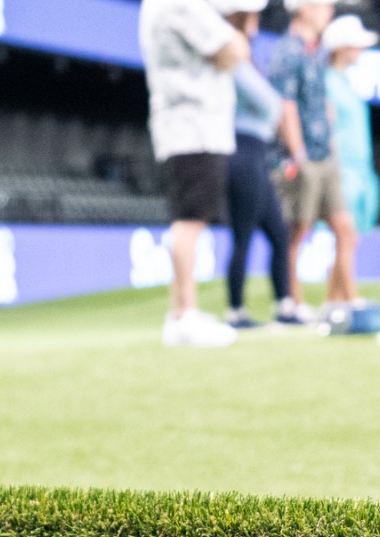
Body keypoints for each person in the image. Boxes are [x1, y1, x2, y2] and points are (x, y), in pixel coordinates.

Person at [140, 0, 250, 346]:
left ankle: (183, 312)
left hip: (186, 127)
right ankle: (184, 314)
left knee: (191, 219)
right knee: (190, 220)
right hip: (193, 128)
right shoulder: (180, 3)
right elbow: (234, 50)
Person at [268, 0, 361, 313]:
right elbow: (286, 106)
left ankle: (341, 301)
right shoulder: (289, 51)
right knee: (297, 232)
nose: (329, 12)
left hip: (325, 155)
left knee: (346, 231)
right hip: (303, 159)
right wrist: (299, 154)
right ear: (305, 8)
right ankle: (293, 302)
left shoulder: (314, 51)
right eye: (324, 5)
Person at [220, 1, 294, 329]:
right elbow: (270, 104)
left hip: (256, 153)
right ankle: (236, 311)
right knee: (244, 235)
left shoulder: (246, 56)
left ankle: (284, 305)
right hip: (243, 151)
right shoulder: (232, 58)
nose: (259, 19)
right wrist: (275, 106)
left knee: (279, 234)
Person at [325, 15, 380, 237]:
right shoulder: (327, 82)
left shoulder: (347, 82)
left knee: (352, 241)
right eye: (357, 46)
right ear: (342, 48)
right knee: (344, 239)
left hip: (362, 171)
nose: (362, 50)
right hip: (342, 172)